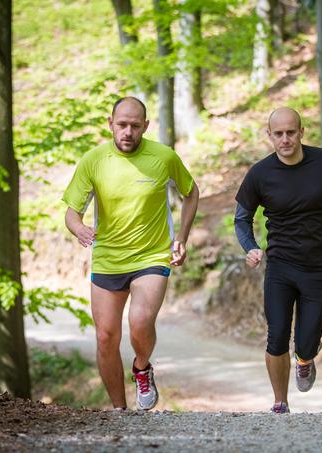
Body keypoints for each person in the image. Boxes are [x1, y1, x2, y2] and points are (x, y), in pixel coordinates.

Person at [62, 97, 199, 410]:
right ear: (110, 124)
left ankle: (141, 367)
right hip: (108, 259)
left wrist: (181, 236)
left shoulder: (163, 157)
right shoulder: (94, 160)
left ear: (145, 127)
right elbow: (72, 212)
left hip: (151, 256)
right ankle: (119, 410)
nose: (127, 132)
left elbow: (191, 194)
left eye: (135, 126)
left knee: (140, 320)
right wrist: (79, 228)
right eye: (121, 125)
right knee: (105, 338)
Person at [234, 107, 322, 414]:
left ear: (301, 132)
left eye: (291, 132)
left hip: (319, 264)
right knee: (276, 335)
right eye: (279, 134)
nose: (286, 139)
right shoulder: (260, 174)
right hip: (280, 264)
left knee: (306, 341)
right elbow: (242, 217)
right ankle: (280, 401)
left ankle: (305, 359)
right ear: (270, 136)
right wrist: (250, 247)